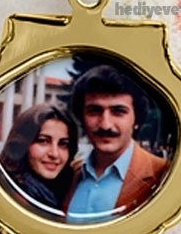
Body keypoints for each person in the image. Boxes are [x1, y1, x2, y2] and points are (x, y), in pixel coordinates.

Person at [64, 64, 169, 223]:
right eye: (94, 111)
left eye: (118, 111)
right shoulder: (69, 174)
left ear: (137, 119)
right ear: (82, 118)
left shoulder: (163, 174)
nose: (105, 125)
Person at [0, 103, 78, 213]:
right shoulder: (10, 197)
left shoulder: (67, 189)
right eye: (43, 141)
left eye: (63, 144)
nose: (54, 154)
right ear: (21, 144)